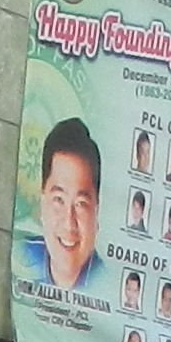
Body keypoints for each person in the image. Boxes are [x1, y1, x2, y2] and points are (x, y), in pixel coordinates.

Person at [30, 119, 106, 293]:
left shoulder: (109, 286)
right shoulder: (19, 259)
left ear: (97, 211)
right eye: (59, 200)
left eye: (81, 204)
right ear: (42, 203)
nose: (69, 223)